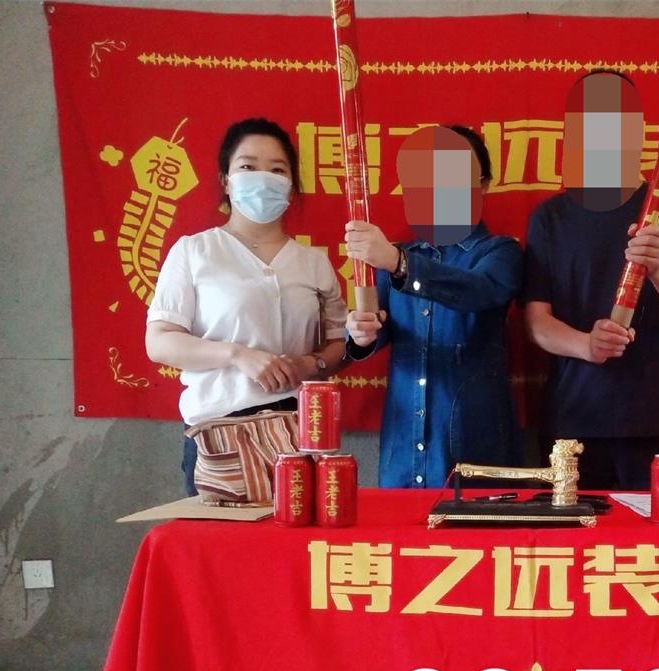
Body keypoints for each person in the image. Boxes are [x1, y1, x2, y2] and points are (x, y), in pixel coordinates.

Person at [522, 70, 659, 490]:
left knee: (656, 533)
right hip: (573, 423)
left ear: (638, 130)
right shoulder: (550, 217)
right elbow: (536, 322)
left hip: (658, 422)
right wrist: (586, 345)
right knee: (575, 533)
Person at [145, 118, 348, 496]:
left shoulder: (313, 262)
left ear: (292, 184)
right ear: (226, 180)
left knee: (296, 533)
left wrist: (310, 365)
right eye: (248, 166)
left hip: (299, 432)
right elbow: (159, 341)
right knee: (222, 534)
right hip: (219, 433)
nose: (263, 178)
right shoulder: (194, 251)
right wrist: (237, 355)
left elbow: (339, 344)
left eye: (277, 170)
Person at [342, 124, 523, 488]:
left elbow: (479, 291)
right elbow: (375, 331)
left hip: (475, 443)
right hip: (402, 445)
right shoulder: (396, 256)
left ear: (483, 185)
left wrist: (399, 264)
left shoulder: (501, 251)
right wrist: (361, 333)